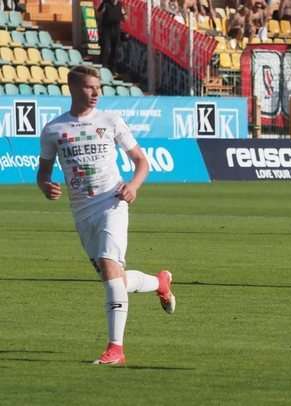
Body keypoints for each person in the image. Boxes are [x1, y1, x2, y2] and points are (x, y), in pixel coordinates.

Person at [37, 65, 176, 365]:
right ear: (73, 88)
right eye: (89, 87)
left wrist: (134, 186)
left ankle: (116, 349)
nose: (97, 93)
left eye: (98, 87)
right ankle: (159, 283)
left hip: (112, 202)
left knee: (110, 267)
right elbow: (43, 173)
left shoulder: (111, 120)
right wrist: (46, 187)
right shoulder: (53, 130)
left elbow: (141, 160)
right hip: (81, 211)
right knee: (114, 279)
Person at [97, 0, 125, 69]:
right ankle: (104, 66)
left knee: (115, 50)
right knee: (107, 49)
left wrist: (123, 17)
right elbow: (99, 13)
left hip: (116, 29)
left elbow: (124, 16)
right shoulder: (105, 3)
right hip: (107, 29)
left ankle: (113, 68)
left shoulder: (120, 4)